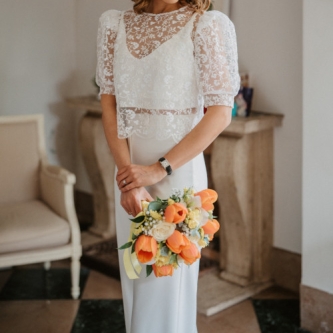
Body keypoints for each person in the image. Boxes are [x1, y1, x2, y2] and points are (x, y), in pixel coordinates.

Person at [96, 0, 240, 332]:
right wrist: (130, 178)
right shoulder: (113, 24)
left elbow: (221, 112)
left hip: (178, 177)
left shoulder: (206, 25)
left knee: (164, 291)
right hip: (128, 175)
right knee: (136, 280)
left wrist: (158, 169)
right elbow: (109, 107)